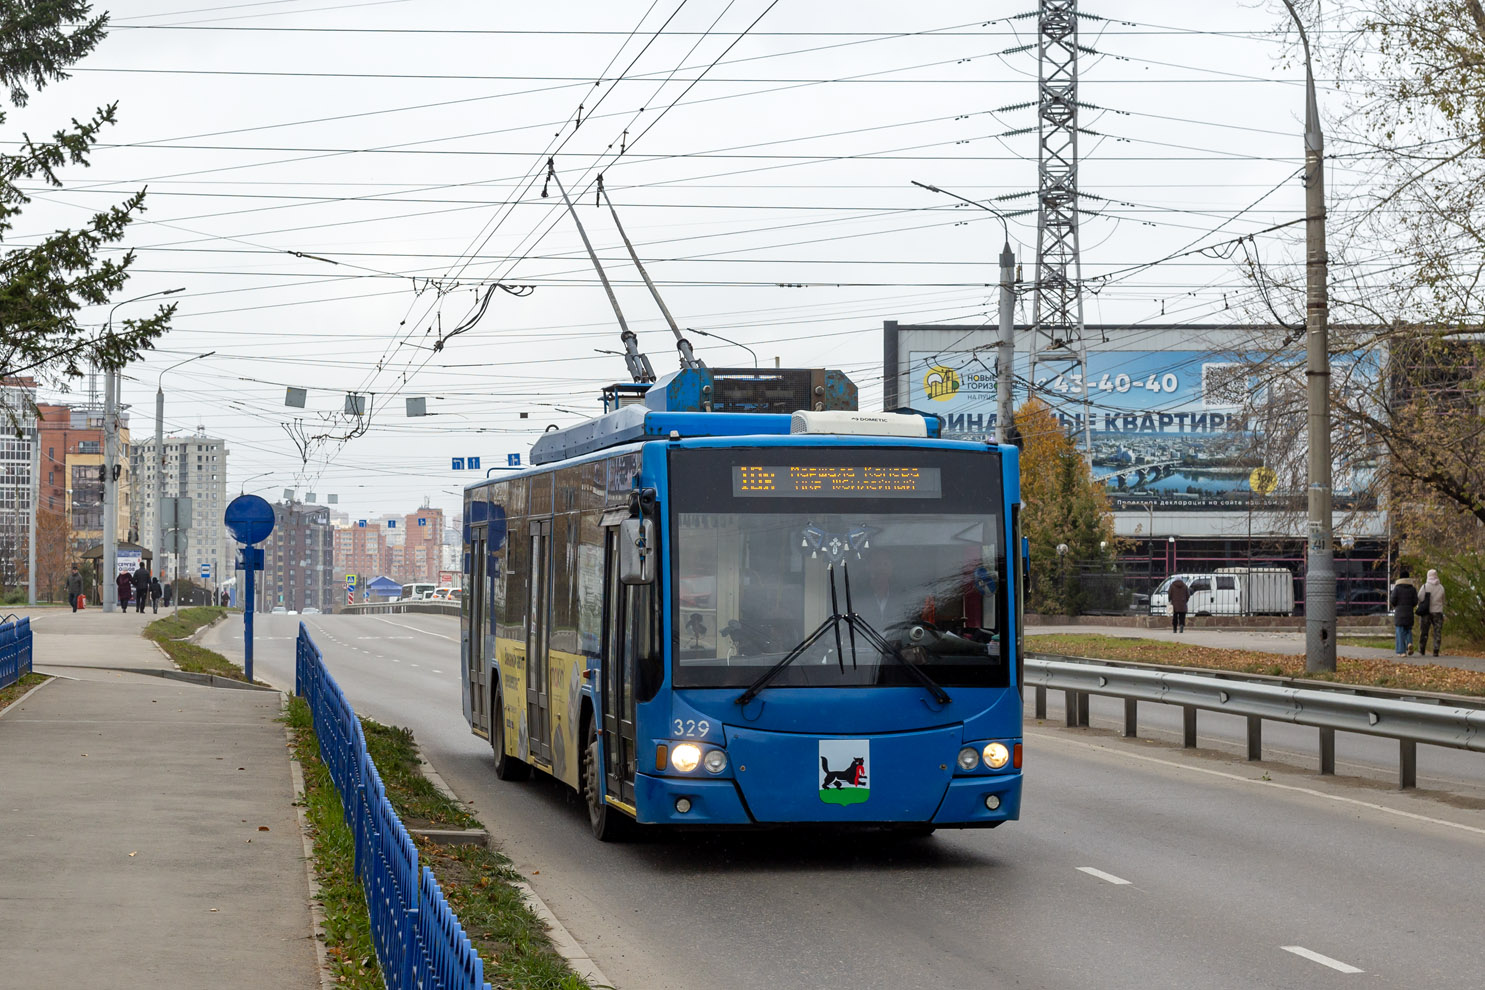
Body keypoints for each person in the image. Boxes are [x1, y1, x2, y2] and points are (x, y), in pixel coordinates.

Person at [1417, 568, 1446, 658]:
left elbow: (1420, 597)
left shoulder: (1425, 586)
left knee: (1424, 631)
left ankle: (1422, 649)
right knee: (1437, 631)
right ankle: (1436, 650)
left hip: (1426, 612)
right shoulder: (1441, 587)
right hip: (1437, 612)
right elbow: (1443, 599)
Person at [1390, 569, 1419, 657]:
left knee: (1399, 631)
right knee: (1408, 629)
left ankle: (1401, 651)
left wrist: (1396, 605)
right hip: (1409, 612)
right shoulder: (1412, 589)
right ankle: (1409, 643)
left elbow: (1392, 600)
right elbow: (1415, 601)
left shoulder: (1397, 588)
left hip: (1399, 612)